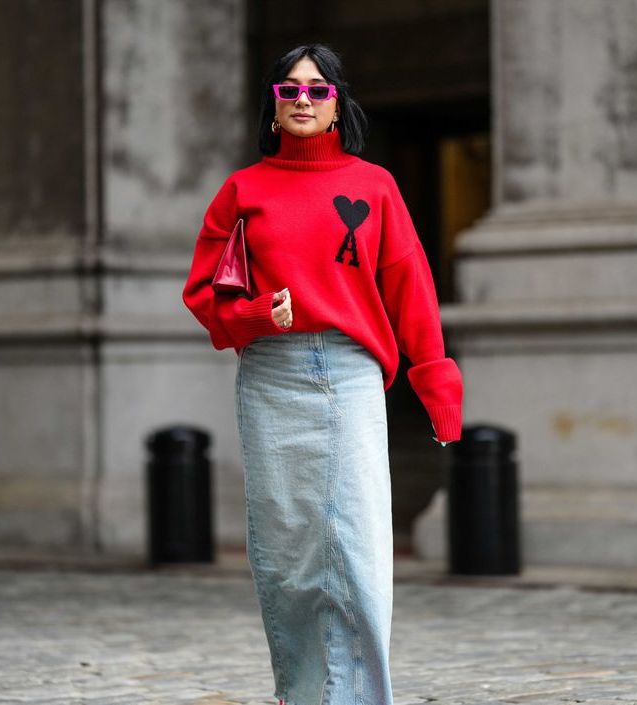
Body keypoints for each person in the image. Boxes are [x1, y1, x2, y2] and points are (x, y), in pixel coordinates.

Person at [181, 43, 463, 705]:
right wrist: (257, 313)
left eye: (317, 89)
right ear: (274, 109)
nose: (302, 99)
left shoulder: (375, 187)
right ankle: (304, 694)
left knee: (356, 552)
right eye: (289, 91)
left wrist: (437, 388)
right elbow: (205, 293)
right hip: (271, 377)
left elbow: (410, 290)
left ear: (338, 103)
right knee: (286, 559)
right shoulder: (242, 191)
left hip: (351, 373)